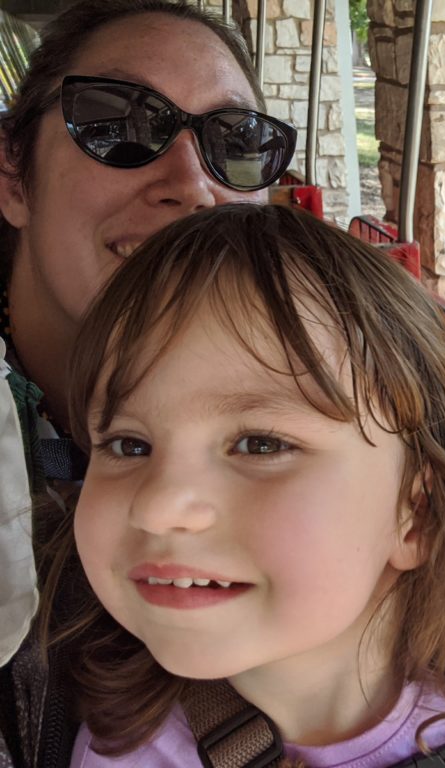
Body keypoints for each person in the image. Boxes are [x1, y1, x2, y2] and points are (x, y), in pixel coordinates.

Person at [33, 202, 445, 767]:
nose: (158, 505)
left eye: (260, 444)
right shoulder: (137, 754)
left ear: (415, 512)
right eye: (128, 445)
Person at [0, 1, 296, 763]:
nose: (191, 185)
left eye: (235, 140)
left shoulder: (336, 407)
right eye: (119, 124)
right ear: (13, 176)